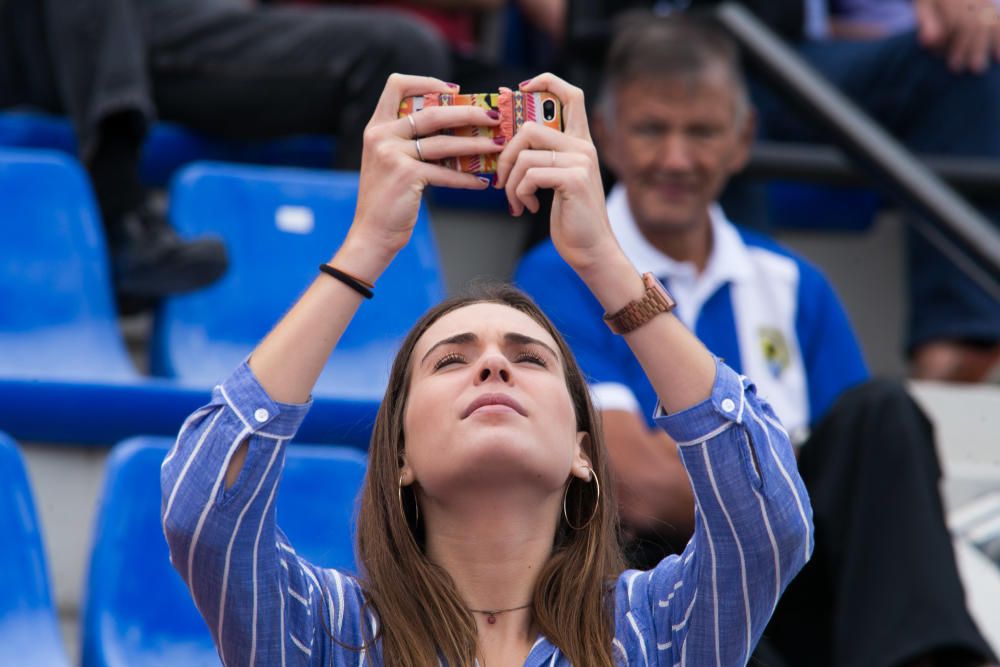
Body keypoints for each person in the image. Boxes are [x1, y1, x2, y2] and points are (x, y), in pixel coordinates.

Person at [161, 72, 812, 665]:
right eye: (450, 360)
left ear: (585, 452)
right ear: (400, 454)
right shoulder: (332, 633)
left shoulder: (650, 631)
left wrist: (605, 263)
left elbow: (766, 520)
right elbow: (204, 513)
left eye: (530, 358)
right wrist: (367, 245)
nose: (494, 365)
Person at [515, 15, 998, 667]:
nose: (676, 158)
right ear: (607, 136)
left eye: (703, 131)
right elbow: (631, 485)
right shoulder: (559, 271)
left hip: (797, 594)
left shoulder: (795, 280)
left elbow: (866, 478)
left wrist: (759, 493)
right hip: (671, 597)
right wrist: (780, 490)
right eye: (653, 128)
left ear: (743, 140)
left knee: (883, 414)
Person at [0, 0, 449, 309]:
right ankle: (119, 216)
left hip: (181, 25)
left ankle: (353, 294)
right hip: (40, 35)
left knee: (401, 52)